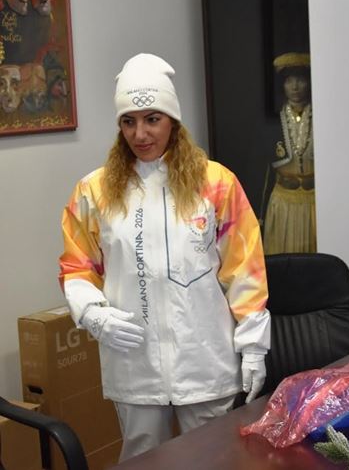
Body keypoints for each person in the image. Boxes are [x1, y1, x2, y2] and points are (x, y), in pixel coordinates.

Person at [58, 53, 270, 461]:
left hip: (204, 357)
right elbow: (77, 265)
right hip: (134, 362)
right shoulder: (94, 191)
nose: (140, 134)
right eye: (128, 121)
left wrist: (254, 346)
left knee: (214, 459)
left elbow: (245, 269)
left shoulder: (216, 183)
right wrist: (92, 313)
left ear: (173, 120)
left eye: (152, 119)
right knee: (144, 459)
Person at [262, 52, 316, 254]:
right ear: (282, 85)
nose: (295, 87)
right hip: (283, 203)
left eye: (300, 80)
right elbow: (263, 171)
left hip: (315, 202)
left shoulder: (323, 117)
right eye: (289, 81)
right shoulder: (273, 123)